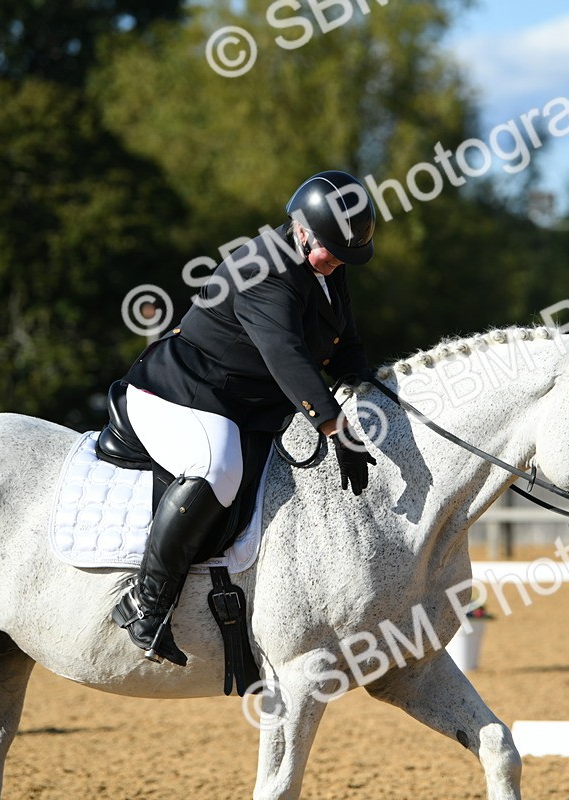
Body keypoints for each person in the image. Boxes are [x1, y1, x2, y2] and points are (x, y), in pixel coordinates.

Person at [110, 170, 378, 666]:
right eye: (332, 251)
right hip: (187, 389)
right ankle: (145, 603)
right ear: (301, 229)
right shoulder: (263, 267)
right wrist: (333, 427)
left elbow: (343, 339)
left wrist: (361, 377)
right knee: (218, 470)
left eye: (346, 255)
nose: (339, 263)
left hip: (247, 402)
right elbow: (286, 355)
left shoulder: (326, 262)